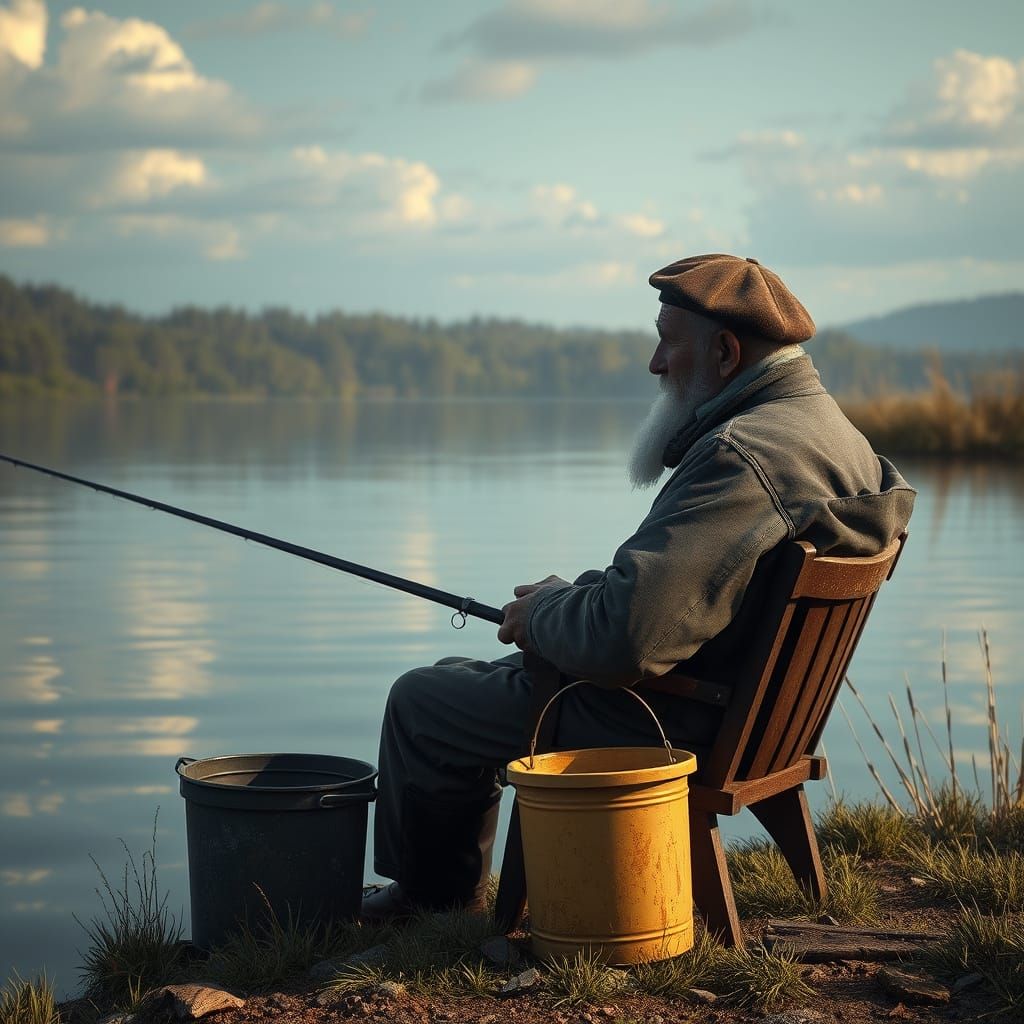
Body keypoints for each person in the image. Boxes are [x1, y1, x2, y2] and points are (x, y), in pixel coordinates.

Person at [361, 253, 916, 921]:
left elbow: (630, 641)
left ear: (725, 352)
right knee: (460, 673)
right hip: (758, 721)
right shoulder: (831, 434)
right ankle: (450, 891)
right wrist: (568, 600)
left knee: (424, 701)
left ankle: (434, 905)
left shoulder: (741, 456)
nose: (656, 364)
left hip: (671, 719)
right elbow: (685, 590)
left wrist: (541, 619)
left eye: (667, 342)